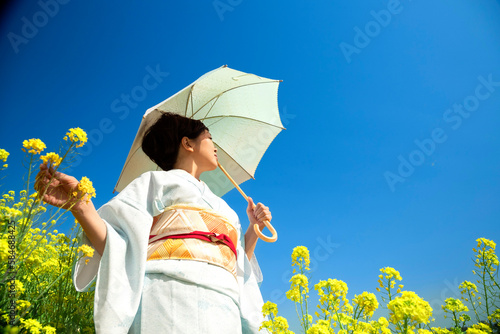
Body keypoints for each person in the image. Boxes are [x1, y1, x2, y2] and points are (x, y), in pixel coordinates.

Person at [35, 112, 272, 333]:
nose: (215, 146)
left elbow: (238, 264)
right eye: (209, 138)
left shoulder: (225, 208)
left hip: (224, 303)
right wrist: (81, 206)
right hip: (166, 294)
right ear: (187, 143)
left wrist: (253, 227)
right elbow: (118, 245)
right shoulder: (153, 183)